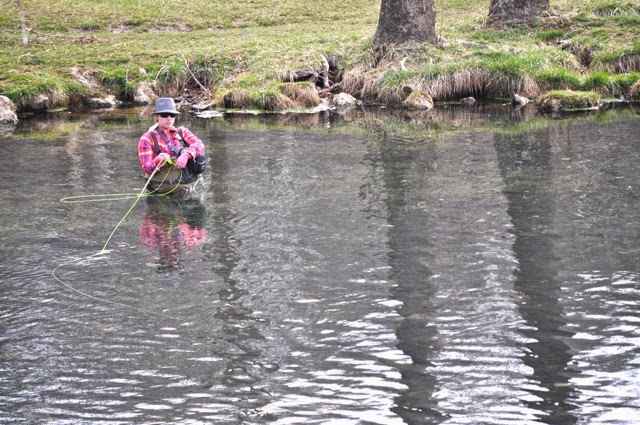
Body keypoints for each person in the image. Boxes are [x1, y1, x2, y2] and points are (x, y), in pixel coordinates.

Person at [138, 98, 206, 193]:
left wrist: (186, 155)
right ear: (156, 117)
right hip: (158, 192)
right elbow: (147, 168)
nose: (169, 118)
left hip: (184, 191)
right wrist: (157, 161)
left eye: (172, 115)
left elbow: (200, 145)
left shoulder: (182, 132)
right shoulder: (147, 138)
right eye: (165, 115)